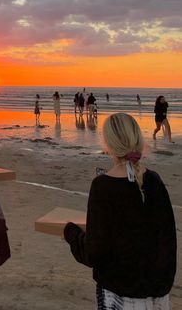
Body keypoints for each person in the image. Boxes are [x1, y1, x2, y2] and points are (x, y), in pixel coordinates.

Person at [64, 113, 177, 309]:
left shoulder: (102, 186)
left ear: (108, 145)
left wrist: (71, 234)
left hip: (121, 297)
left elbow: (95, 252)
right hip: (159, 296)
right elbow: (167, 241)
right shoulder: (154, 180)